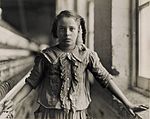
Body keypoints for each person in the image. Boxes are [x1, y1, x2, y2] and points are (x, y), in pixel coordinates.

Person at [0, 10, 148, 119]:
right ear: (56, 32)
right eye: (62, 29)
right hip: (50, 114)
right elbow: (31, 82)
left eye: (72, 29)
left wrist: (128, 103)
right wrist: (14, 102)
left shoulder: (87, 55)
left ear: (79, 31)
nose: (67, 33)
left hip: (77, 114)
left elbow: (106, 79)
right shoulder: (46, 56)